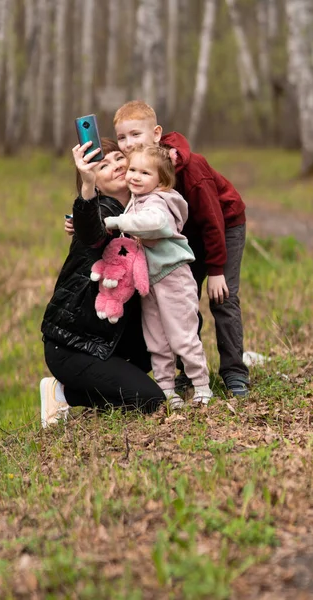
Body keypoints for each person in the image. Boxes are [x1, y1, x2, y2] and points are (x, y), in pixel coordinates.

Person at [113, 101, 250, 397]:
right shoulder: (135, 167)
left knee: (222, 297)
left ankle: (234, 372)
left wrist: (215, 271)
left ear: (156, 133)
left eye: (136, 135)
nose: (128, 144)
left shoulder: (189, 167)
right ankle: (189, 373)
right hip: (180, 237)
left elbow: (213, 220)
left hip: (222, 226)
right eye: (122, 137)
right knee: (183, 296)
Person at [40, 137, 165, 427]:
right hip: (72, 345)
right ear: (95, 183)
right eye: (104, 166)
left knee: (182, 322)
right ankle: (63, 393)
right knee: (151, 401)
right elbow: (93, 231)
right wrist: (85, 191)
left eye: (120, 158)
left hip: (111, 338)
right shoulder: (103, 211)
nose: (117, 166)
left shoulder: (142, 211)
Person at [104, 144, 213, 409]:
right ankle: (167, 390)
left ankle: (201, 386)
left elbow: (155, 224)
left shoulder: (159, 201)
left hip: (173, 275)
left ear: (160, 181)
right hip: (149, 281)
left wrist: (117, 221)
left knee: (182, 335)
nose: (135, 176)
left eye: (144, 173)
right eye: (132, 170)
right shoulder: (135, 201)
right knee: (156, 339)